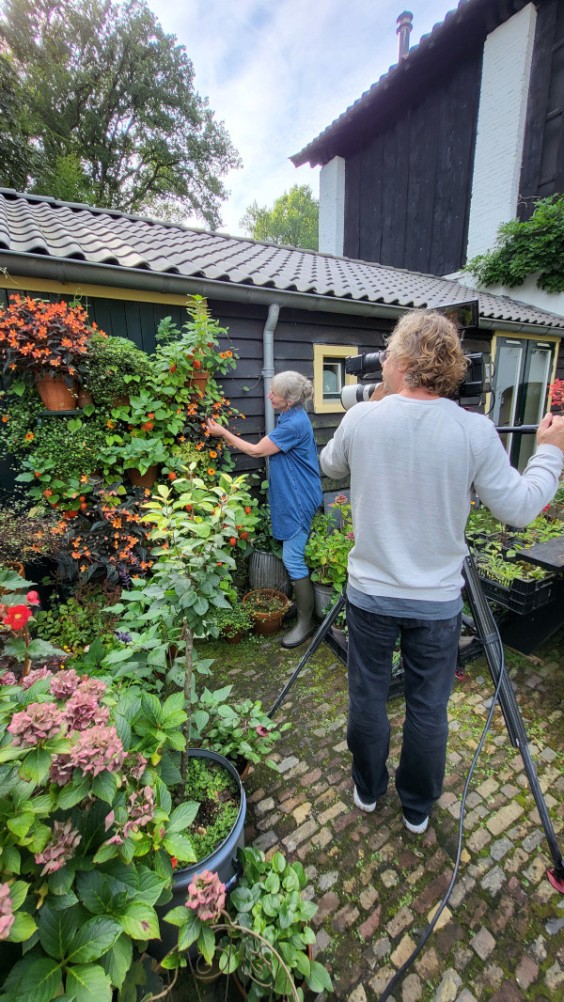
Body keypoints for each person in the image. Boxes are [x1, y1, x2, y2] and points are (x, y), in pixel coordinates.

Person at [319, 310, 564, 834]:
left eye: (388, 353)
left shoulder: (362, 419)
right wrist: (549, 455)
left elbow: (329, 463)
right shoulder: (473, 429)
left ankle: (367, 790)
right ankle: (416, 809)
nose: (381, 362)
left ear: (405, 361)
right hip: (437, 603)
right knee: (428, 707)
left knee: (367, 697)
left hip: (370, 597)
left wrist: (370, 413)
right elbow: (519, 508)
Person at [207, 370, 322, 648]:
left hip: (299, 497)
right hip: (296, 493)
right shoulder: (291, 417)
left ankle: (306, 623)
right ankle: (303, 610)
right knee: (292, 554)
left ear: (289, 399)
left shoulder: (293, 424)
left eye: (275, 393)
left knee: (293, 558)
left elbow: (258, 451)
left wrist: (222, 432)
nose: (269, 395)